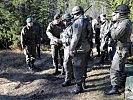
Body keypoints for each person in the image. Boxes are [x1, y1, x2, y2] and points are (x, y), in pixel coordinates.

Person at [104, 4, 132, 95]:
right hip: (122, 48)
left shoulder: (124, 23)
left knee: (114, 69)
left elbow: (115, 35)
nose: (116, 15)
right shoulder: (124, 22)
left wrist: (113, 28)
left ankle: (114, 88)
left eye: (117, 13)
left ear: (121, 14)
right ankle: (121, 83)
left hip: (121, 49)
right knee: (121, 67)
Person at [69, 6, 92, 94]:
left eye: (74, 14)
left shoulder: (77, 23)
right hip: (86, 47)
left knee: (77, 67)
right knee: (84, 66)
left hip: (79, 49)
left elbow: (75, 37)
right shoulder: (87, 21)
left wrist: (71, 49)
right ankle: (83, 83)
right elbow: (90, 34)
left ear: (76, 14)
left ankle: (78, 87)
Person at [60, 13, 74, 87]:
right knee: (68, 63)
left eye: (66, 20)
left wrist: (64, 40)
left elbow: (73, 39)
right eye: (64, 21)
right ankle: (71, 76)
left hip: (69, 47)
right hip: (66, 47)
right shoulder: (67, 27)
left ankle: (68, 80)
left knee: (67, 64)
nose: (64, 22)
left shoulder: (71, 27)